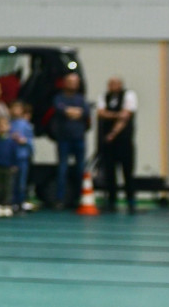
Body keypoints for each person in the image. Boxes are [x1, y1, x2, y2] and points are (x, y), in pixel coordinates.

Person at [96, 76, 138, 214]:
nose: (113, 86)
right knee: (110, 173)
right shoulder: (104, 97)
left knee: (127, 172)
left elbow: (125, 117)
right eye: (110, 84)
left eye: (116, 83)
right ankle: (112, 201)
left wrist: (113, 133)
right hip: (108, 144)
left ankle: (131, 201)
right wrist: (117, 115)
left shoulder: (129, 95)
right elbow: (101, 113)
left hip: (124, 141)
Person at [52, 73, 90, 210]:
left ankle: (81, 198)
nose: (73, 84)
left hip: (78, 138)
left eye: (75, 82)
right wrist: (73, 112)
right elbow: (62, 110)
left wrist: (71, 112)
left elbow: (84, 112)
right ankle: (60, 199)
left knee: (80, 169)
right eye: (70, 82)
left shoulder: (81, 99)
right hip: (64, 139)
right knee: (62, 169)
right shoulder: (59, 98)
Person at [9, 101, 35, 211]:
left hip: (22, 157)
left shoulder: (26, 125)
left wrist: (25, 142)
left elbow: (30, 141)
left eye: (18, 109)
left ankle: (21, 201)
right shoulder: (9, 124)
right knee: (12, 181)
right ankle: (13, 201)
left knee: (21, 181)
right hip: (11, 157)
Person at [0, 116, 18, 218]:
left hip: (8, 167)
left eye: (4, 125)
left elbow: (14, 154)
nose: (2, 127)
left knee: (8, 187)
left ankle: (7, 205)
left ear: (9, 127)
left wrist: (14, 164)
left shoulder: (11, 141)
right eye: (0, 125)